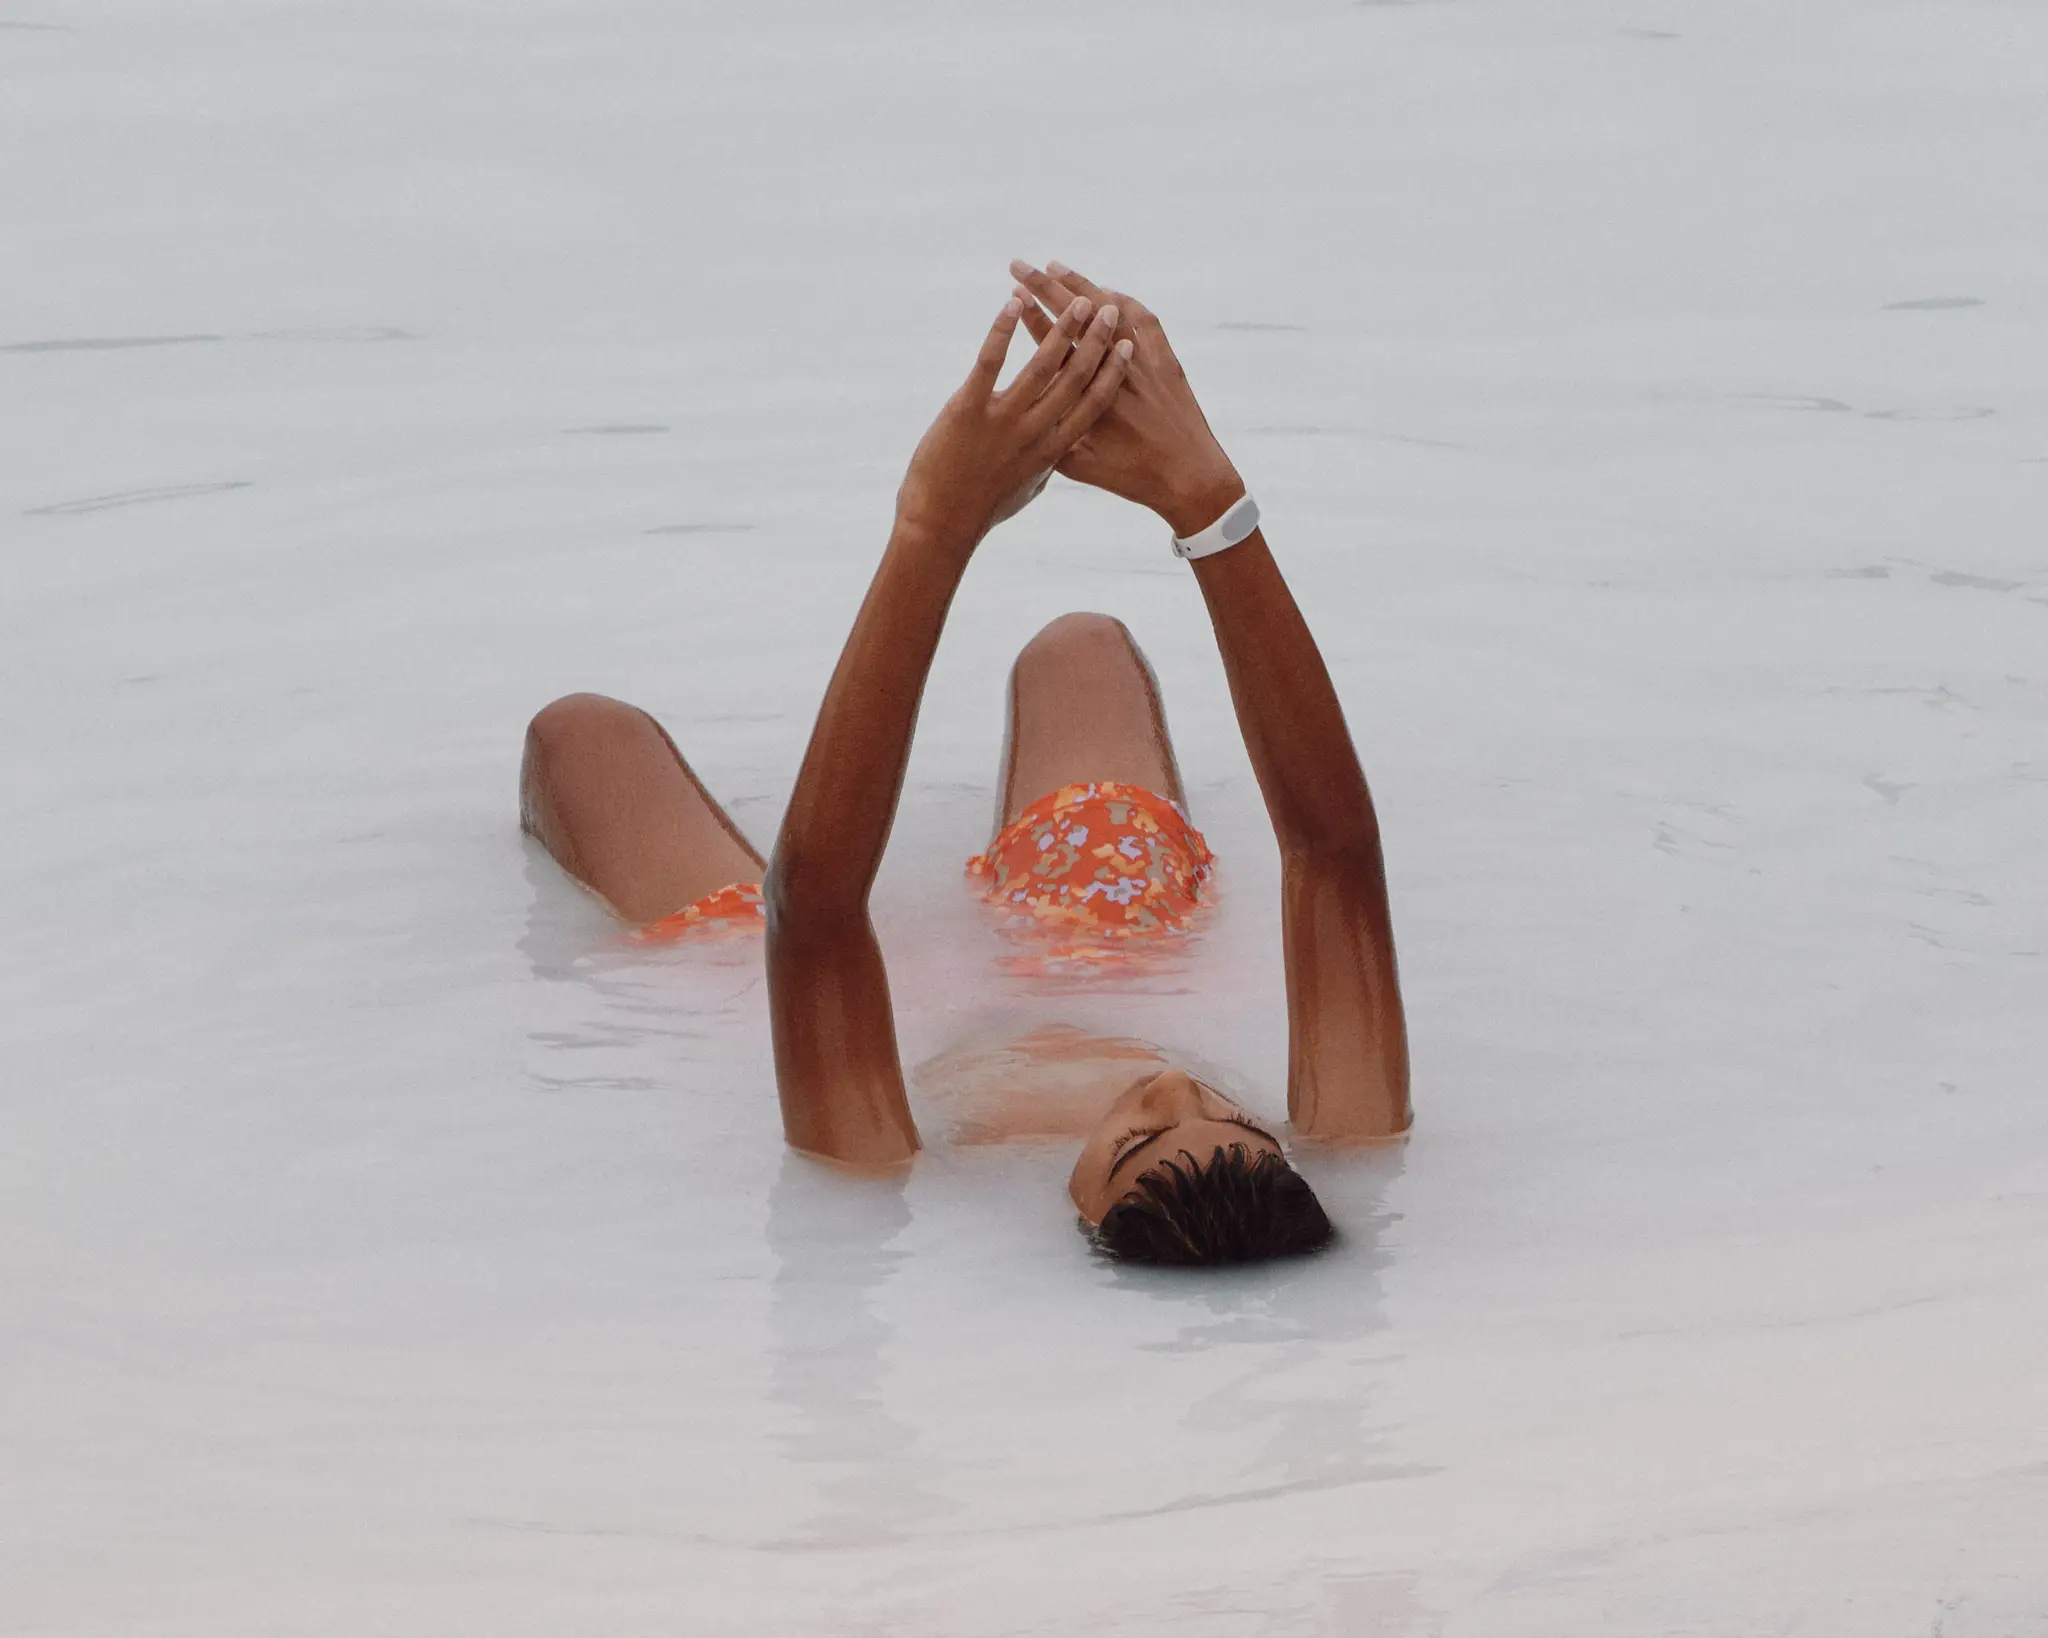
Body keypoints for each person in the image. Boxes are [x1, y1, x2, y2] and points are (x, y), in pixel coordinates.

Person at [520, 262, 1409, 1266]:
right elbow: (1331, 853)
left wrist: (934, 529)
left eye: (1140, 1142)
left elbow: (812, 915)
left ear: (1081, 1215)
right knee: (1079, 646)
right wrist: (1206, 500)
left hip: (879, 1010)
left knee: (581, 735)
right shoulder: (1343, 1141)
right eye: (1235, 1121)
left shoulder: (892, 1166)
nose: (1169, 1093)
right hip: (1091, 951)